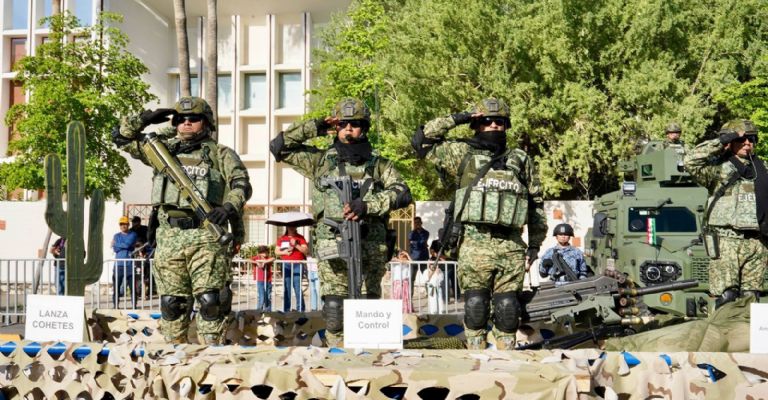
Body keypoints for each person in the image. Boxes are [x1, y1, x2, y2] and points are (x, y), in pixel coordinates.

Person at [270, 97, 412, 347]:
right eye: (343, 124)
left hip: (370, 245)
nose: (349, 129)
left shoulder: (379, 165)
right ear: (336, 127)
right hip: (332, 245)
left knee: (367, 308)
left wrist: (368, 206)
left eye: (355, 124)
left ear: (364, 127)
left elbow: (402, 192)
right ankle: (337, 352)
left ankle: (368, 358)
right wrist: (316, 127)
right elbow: (279, 146)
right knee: (334, 309)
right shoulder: (320, 161)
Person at [113, 96, 252, 344]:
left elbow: (241, 184)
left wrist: (229, 207)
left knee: (211, 302)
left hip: (206, 236)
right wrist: (144, 120)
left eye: (193, 119)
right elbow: (121, 138)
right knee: (171, 304)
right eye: (180, 119)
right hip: (169, 236)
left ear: (206, 123)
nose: (186, 123)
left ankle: (211, 359)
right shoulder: (161, 151)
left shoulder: (221, 154)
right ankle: (174, 360)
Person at [412, 97, 547, 350]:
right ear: (477, 124)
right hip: (474, 242)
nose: (494, 126)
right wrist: (462, 116)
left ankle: (506, 360)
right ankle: (476, 359)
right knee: (475, 307)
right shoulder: (461, 153)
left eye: (499, 121)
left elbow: (535, 204)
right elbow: (422, 140)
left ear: (506, 125)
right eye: (487, 121)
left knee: (508, 311)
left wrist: (534, 246)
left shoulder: (520, 159)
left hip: (511, 245)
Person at [684, 119, 768, 308]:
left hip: (757, 242)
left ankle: (746, 338)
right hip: (726, 240)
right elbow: (690, 161)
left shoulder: (762, 168)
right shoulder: (717, 168)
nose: (748, 143)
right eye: (743, 139)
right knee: (726, 297)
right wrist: (721, 141)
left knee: (751, 299)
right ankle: (720, 336)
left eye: (752, 139)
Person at [275, 226, 309, 312]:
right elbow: (276, 251)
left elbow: (306, 251)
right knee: (287, 288)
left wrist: (296, 245)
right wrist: (284, 252)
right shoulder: (282, 238)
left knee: (297, 287)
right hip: (286, 265)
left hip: (298, 264)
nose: (291, 227)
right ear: (286, 227)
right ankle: (286, 310)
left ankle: (300, 310)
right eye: (289, 226)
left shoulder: (300, 237)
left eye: (293, 225)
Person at [112, 216, 138, 308]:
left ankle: (134, 306)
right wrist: (117, 245)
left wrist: (116, 244)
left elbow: (127, 245)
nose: (123, 226)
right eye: (121, 224)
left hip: (129, 264)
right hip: (118, 265)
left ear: (128, 224)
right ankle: (115, 305)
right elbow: (115, 249)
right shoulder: (116, 235)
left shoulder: (133, 234)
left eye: (125, 224)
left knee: (132, 288)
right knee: (116, 287)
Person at [408, 216, 430, 297]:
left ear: (421, 223)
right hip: (413, 259)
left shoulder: (426, 233)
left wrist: (414, 243)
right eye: (415, 222)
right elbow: (412, 241)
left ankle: (430, 294)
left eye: (418, 222)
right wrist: (417, 243)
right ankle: (410, 296)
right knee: (411, 278)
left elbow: (421, 242)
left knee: (427, 277)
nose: (417, 224)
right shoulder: (411, 233)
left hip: (423, 258)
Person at [251, 245, 274, 311]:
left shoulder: (268, 258)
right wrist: (257, 262)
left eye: (266, 252)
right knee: (261, 296)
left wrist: (264, 262)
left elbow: (273, 258)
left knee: (268, 296)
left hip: (268, 279)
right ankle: (259, 310)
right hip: (260, 280)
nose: (265, 254)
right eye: (263, 253)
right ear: (259, 253)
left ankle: (268, 311)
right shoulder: (257, 258)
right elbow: (249, 259)